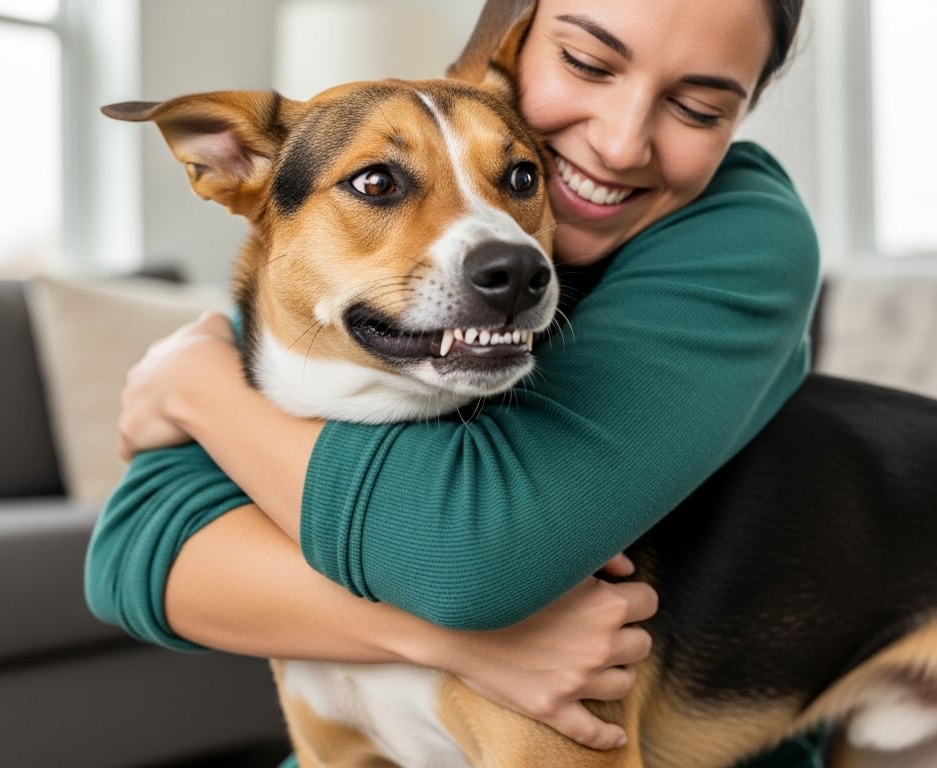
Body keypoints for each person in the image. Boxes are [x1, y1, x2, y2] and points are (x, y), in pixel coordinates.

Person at [85, 0, 822, 764]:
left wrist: (199, 391)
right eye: (587, 63)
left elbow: (473, 561)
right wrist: (458, 643)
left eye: (699, 107)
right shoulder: (305, 282)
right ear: (507, 39)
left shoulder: (740, 234)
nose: (620, 140)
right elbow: (132, 556)